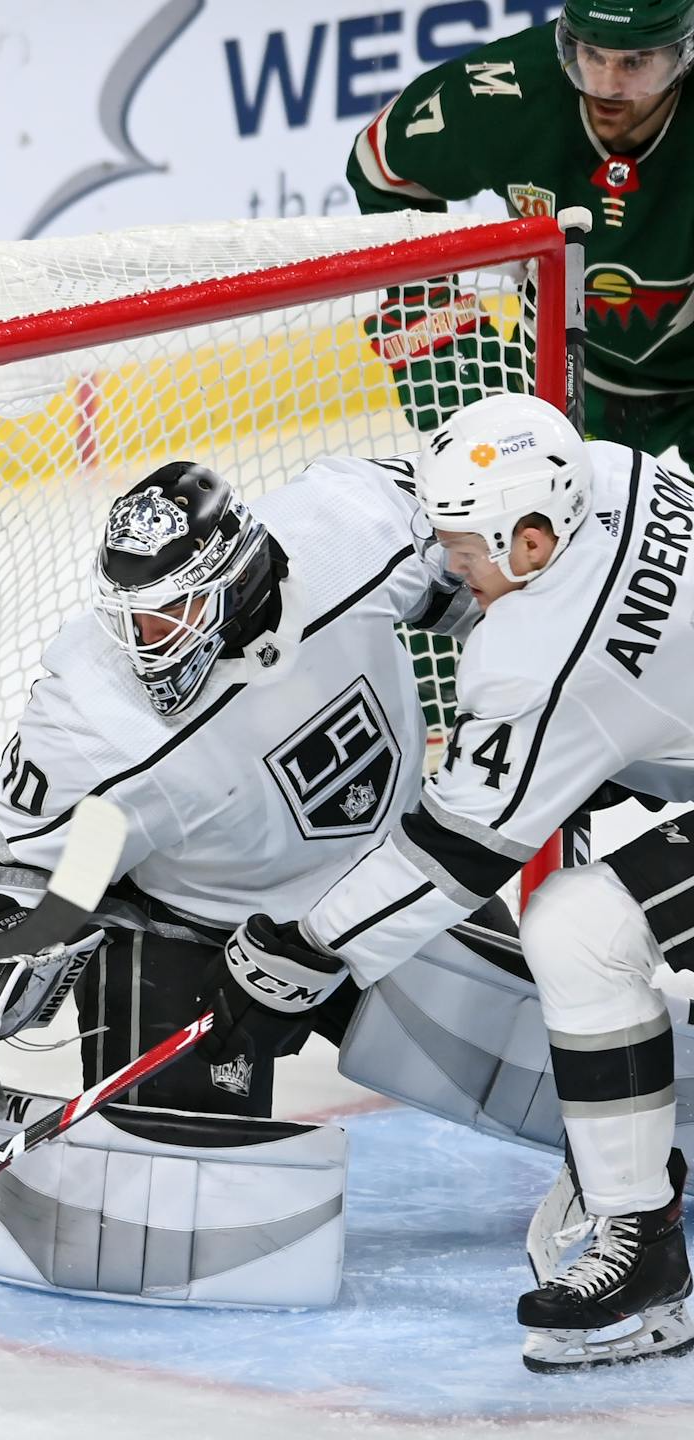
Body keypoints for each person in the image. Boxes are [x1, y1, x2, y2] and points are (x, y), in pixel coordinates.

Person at [206, 392, 694, 1371]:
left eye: (467, 547)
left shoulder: (536, 663)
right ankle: (639, 1198)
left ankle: (643, 1245)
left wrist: (302, 954)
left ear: (531, 540)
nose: (454, 568)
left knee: (578, 931)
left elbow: (451, 858)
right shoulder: (614, 472)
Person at [0, 451, 478, 1121]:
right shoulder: (94, 716)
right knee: (176, 1191)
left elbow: (491, 580)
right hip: (203, 945)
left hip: (395, 879)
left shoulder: (349, 526)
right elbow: (15, 861)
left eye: (171, 612)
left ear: (230, 579)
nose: (147, 643)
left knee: (562, 1073)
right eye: (133, 618)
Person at [347, 0, 694, 456]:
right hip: (554, 373)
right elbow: (383, 171)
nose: (606, 85)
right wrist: (432, 325)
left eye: (635, 62)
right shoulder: (505, 89)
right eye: (591, 54)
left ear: (684, 53)